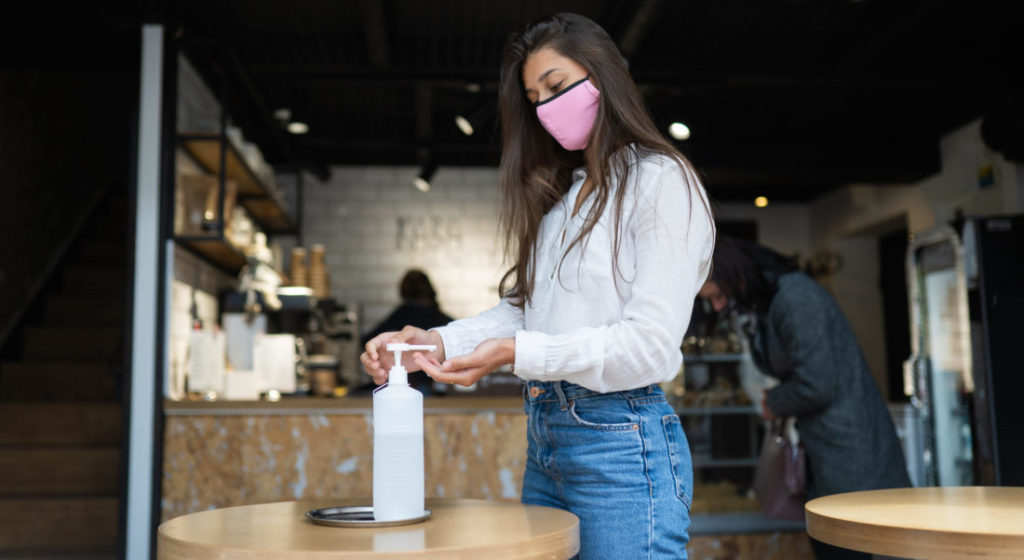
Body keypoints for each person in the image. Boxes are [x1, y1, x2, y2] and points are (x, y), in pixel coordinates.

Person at [361, 13, 715, 559]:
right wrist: (433, 343)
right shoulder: (564, 201)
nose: (546, 109)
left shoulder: (660, 181)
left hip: (618, 444)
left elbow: (647, 347)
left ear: (605, 76)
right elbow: (524, 312)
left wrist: (515, 353)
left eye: (557, 86)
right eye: (534, 98)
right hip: (547, 435)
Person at [697, 236, 911, 560]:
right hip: (829, 457)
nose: (717, 306)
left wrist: (775, 402)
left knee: (854, 550)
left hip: (854, 458)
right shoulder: (768, 305)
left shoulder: (795, 296)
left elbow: (818, 383)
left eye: (718, 295)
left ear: (736, 275)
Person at [361, 269, 453, 394]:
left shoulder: (402, 313)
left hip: (410, 383)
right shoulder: (439, 316)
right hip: (437, 384)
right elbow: (458, 335)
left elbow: (368, 340)